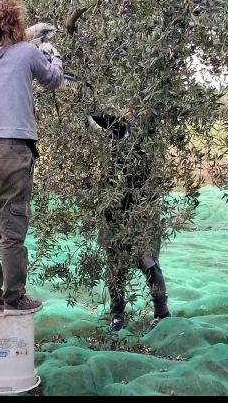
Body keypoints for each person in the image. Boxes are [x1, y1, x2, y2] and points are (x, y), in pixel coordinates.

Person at [0, 0, 64, 315]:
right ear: (16, 20)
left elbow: (7, 49)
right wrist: (52, 53)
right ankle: (15, 299)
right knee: (13, 230)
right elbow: (53, 80)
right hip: (14, 151)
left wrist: (32, 34)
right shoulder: (27, 53)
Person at [86, 111, 172, 334]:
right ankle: (117, 315)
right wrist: (85, 105)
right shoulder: (111, 141)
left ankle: (162, 313)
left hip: (141, 216)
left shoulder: (143, 142)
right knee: (115, 267)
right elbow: (96, 117)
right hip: (113, 214)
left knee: (149, 263)